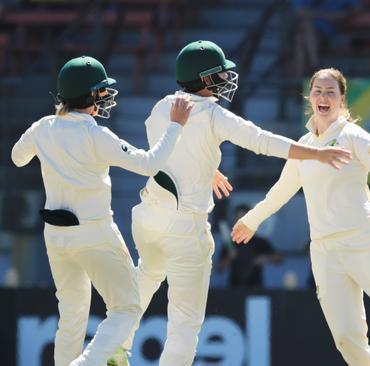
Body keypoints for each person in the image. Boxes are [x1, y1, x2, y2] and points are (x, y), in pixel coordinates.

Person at [120, 41, 352, 365]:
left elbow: (160, 145)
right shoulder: (214, 115)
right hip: (184, 227)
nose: (225, 78)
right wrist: (316, 152)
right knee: (185, 324)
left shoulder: (163, 106)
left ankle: (116, 347)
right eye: (217, 74)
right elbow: (263, 141)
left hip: (147, 218)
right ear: (202, 79)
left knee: (146, 275)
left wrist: (203, 165)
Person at [232, 67, 370, 365]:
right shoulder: (305, 146)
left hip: (365, 244)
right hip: (325, 252)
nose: (323, 97)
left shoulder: (353, 135)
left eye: (330, 92)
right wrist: (252, 220)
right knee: (347, 338)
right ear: (309, 97)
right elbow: (280, 191)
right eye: (318, 92)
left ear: (342, 98)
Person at [11, 56, 192, 366]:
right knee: (127, 308)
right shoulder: (96, 135)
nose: (105, 98)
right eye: (101, 92)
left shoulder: (44, 128)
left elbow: (17, 158)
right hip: (94, 232)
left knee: (72, 314)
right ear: (88, 96)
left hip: (55, 235)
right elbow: (148, 163)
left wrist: (48, 143)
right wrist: (175, 126)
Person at [217, 204, 283, 288]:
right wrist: (229, 258)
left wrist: (265, 258)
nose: (241, 224)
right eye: (238, 220)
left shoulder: (260, 242)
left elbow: (279, 259)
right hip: (234, 290)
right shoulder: (230, 244)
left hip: (256, 289)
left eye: (243, 220)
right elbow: (219, 269)